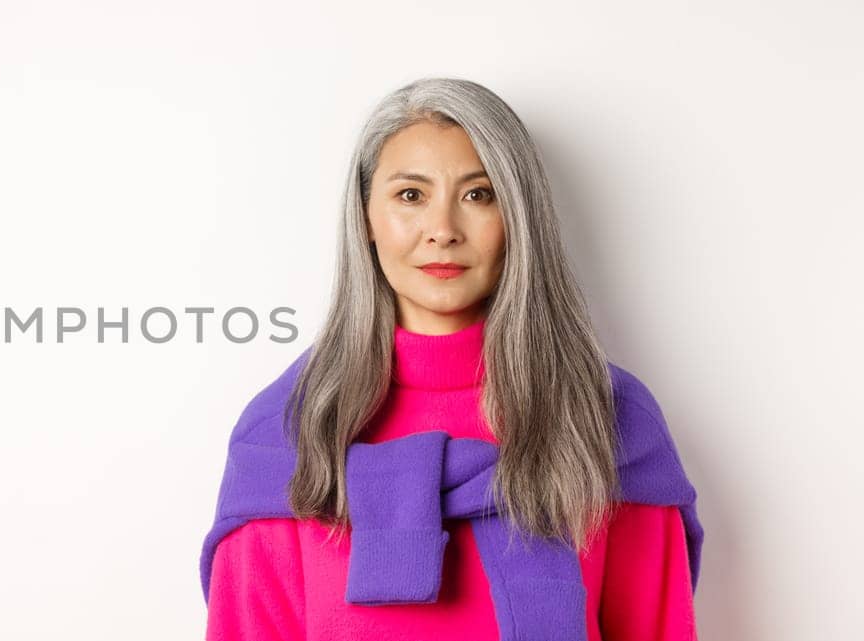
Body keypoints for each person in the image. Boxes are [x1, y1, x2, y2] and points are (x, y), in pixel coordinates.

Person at [200, 78, 701, 641]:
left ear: (518, 219)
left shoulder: (606, 417)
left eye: (478, 194)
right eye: (411, 195)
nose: (442, 231)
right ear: (365, 218)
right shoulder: (287, 432)